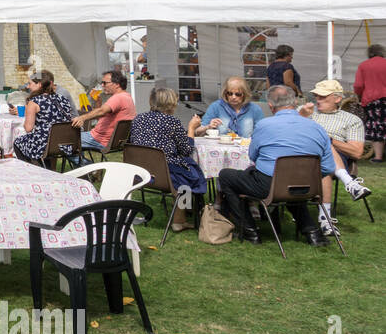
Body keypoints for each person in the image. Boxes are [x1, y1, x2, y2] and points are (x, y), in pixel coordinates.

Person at [217, 84, 332, 246]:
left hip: (271, 185)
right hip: (308, 186)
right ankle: (312, 232)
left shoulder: (264, 125)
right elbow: (328, 167)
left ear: (270, 106)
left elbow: (253, 155)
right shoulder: (318, 128)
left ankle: (249, 230)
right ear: (294, 102)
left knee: (226, 176)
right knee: (289, 182)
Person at [129, 87, 206, 230]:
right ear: (171, 103)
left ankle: (184, 211)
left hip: (141, 172)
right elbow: (187, 150)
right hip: (165, 175)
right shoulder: (172, 122)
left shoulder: (138, 119)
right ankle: (180, 219)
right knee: (190, 171)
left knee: (185, 168)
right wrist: (191, 129)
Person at [299, 79, 371, 218]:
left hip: (333, 159)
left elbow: (356, 152)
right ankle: (349, 184)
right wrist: (301, 117)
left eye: (323, 96)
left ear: (337, 98)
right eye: (316, 96)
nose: (318, 100)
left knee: (325, 157)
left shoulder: (351, 120)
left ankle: (324, 218)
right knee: (324, 155)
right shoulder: (306, 112)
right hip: (302, 156)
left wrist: (330, 140)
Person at [12, 70, 75, 164]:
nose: (28, 86)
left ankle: (34, 170)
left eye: (30, 83)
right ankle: (49, 169)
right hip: (66, 144)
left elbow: (28, 128)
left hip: (45, 145)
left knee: (18, 142)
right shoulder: (63, 99)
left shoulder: (34, 102)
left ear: (39, 85)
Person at [71, 69, 135, 156]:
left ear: (117, 84)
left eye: (105, 83)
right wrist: (98, 103)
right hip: (111, 141)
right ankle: (84, 165)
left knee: (63, 140)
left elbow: (102, 111)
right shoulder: (127, 97)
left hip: (99, 139)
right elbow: (102, 115)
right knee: (70, 141)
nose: (102, 85)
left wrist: (81, 118)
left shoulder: (118, 98)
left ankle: (87, 167)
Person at [195, 77, 264, 137]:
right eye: (230, 93)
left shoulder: (255, 109)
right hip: (220, 150)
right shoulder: (216, 107)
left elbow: (262, 133)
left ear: (245, 94)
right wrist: (208, 127)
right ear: (225, 93)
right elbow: (197, 132)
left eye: (238, 94)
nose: (233, 97)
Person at [353, 43, 386, 162]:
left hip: (372, 100)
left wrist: (359, 96)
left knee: (376, 126)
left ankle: (378, 157)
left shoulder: (363, 65)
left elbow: (358, 85)